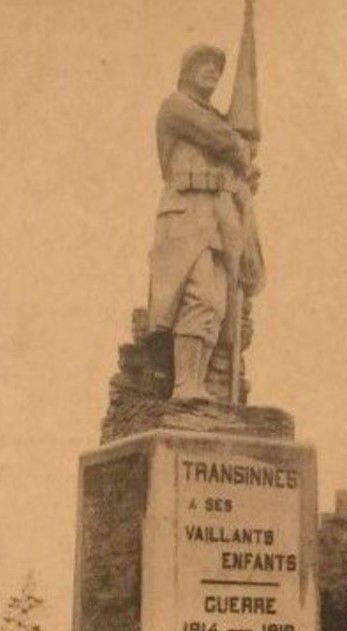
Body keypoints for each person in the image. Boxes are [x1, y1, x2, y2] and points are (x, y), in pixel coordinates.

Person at [147, 44, 263, 400]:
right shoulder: (177, 107)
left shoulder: (214, 117)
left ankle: (197, 384)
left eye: (217, 67)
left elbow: (230, 154)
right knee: (195, 292)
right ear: (187, 70)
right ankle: (185, 384)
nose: (213, 71)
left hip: (215, 218)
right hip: (184, 214)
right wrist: (241, 150)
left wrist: (243, 177)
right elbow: (222, 140)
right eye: (205, 64)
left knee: (214, 302)